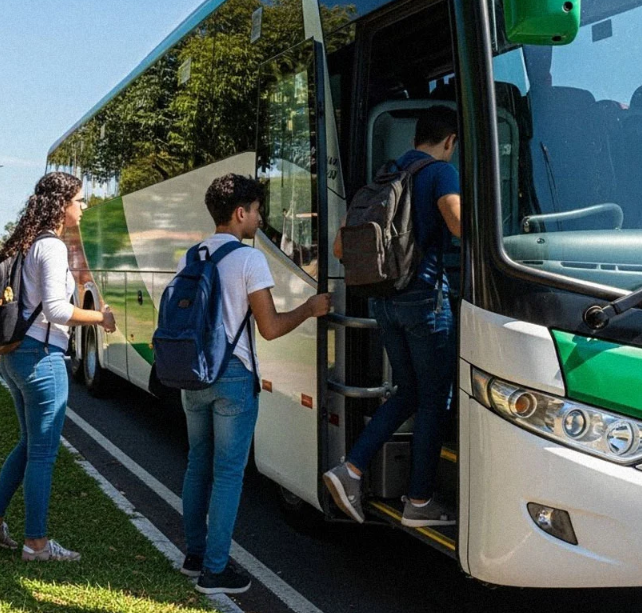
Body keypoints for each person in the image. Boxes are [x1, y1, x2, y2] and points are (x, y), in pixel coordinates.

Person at [179, 174, 330, 595]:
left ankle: (193, 555)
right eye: (258, 211)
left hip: (194, 376)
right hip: (232, 377)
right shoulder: (249, 260)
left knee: (198, 463)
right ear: (240, 213)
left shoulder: (190, 256)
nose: (260, 220)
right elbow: (270, 328)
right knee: (228, 474)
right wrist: (309, 308)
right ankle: (214, 570)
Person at [325, 106, 460, 528]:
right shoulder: (440, 173)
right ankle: (419, 501)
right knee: (435, 397)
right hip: (425, 301)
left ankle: (350, 471)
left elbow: (340, 249)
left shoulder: (384, 175)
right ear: (450, 141)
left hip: (384, 300)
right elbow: (459, 226)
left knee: (408, 391)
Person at [0, 172, 115, 562]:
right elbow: (56, 309)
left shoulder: (25, 242)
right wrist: (99, 318)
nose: (83, 207)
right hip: (42, 358)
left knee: (28, 443)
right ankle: (36, 544)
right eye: (79, 200)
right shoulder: (50, 247)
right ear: (62, 204)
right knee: (42, 453)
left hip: (16, 355)